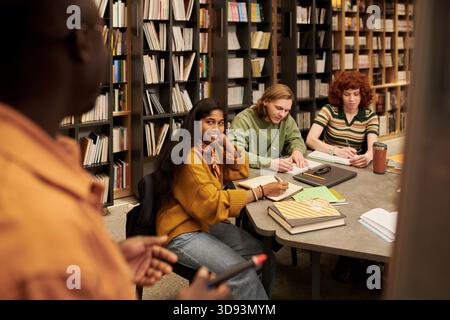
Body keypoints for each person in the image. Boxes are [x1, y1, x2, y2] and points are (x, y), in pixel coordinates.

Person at [0, 0, 228, 299]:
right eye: (104, 37)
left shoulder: (43, 157)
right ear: (81, 43)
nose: (109, 55)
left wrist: (105, 263)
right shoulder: (32, 211)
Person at [155, 98, 286, 300]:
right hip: (182, 230)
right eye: (210, 122)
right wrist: (260, 191)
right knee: (243, 275)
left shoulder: (209, 149)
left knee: (265, 257)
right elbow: (213, 203)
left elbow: (239, 170)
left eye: (221, 123)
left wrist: (226, 141)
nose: (216, 128)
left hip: (203, 221)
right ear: (196, 123)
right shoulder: (190, 156)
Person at [306, 71, 379, 168]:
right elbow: (310, 140)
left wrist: (367, 157)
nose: (352, 99)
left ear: (362, 95)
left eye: (356, 94)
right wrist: (337, 151)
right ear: (340, 95)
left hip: (352, 163)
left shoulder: (370, 116)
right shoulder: (329, 110)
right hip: (328, 162)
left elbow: (373, 147)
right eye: (347, 94)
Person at [230, 84, 308, 173]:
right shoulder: (242, 119)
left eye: (286, 110)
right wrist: (269, 163)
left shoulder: (286, 118)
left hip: (274, 172)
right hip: (248, 173)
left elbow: (296, 139)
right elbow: (235, 154)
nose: (282, 114)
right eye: (279, 108)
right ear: (266, 101)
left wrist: (297, 151)